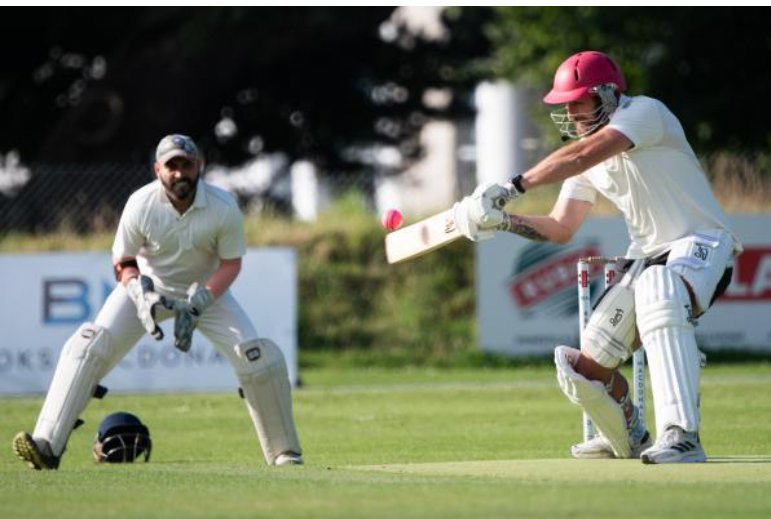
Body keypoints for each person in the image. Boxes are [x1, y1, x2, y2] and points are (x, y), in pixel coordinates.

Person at [453, 50, 741, 464]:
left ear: (607, 95)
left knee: (657, 288)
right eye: (565, 104)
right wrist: (502, 220)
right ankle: (628, 432)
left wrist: (511, 187)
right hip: (648, 257)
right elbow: (561, 226)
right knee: (585, 368)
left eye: (578, 101)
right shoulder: (586, 155)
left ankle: (682, 436)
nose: (570, 112)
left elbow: (581, 155)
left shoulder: (645, 113)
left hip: (702, 244)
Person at [13, 134, 303, 470]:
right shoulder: (141, 203)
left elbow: (230, 264)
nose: (180, 173)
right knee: (87, 347)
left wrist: (202, 299)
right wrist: (140, 293)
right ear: (157, 170)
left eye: (186, 165)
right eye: (172, 166)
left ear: (199, 166)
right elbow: (124, 260)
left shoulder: (223, 206)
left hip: (205, 294)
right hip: (146, 291)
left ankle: (284, 453)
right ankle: (46, 445)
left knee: (258, 358)